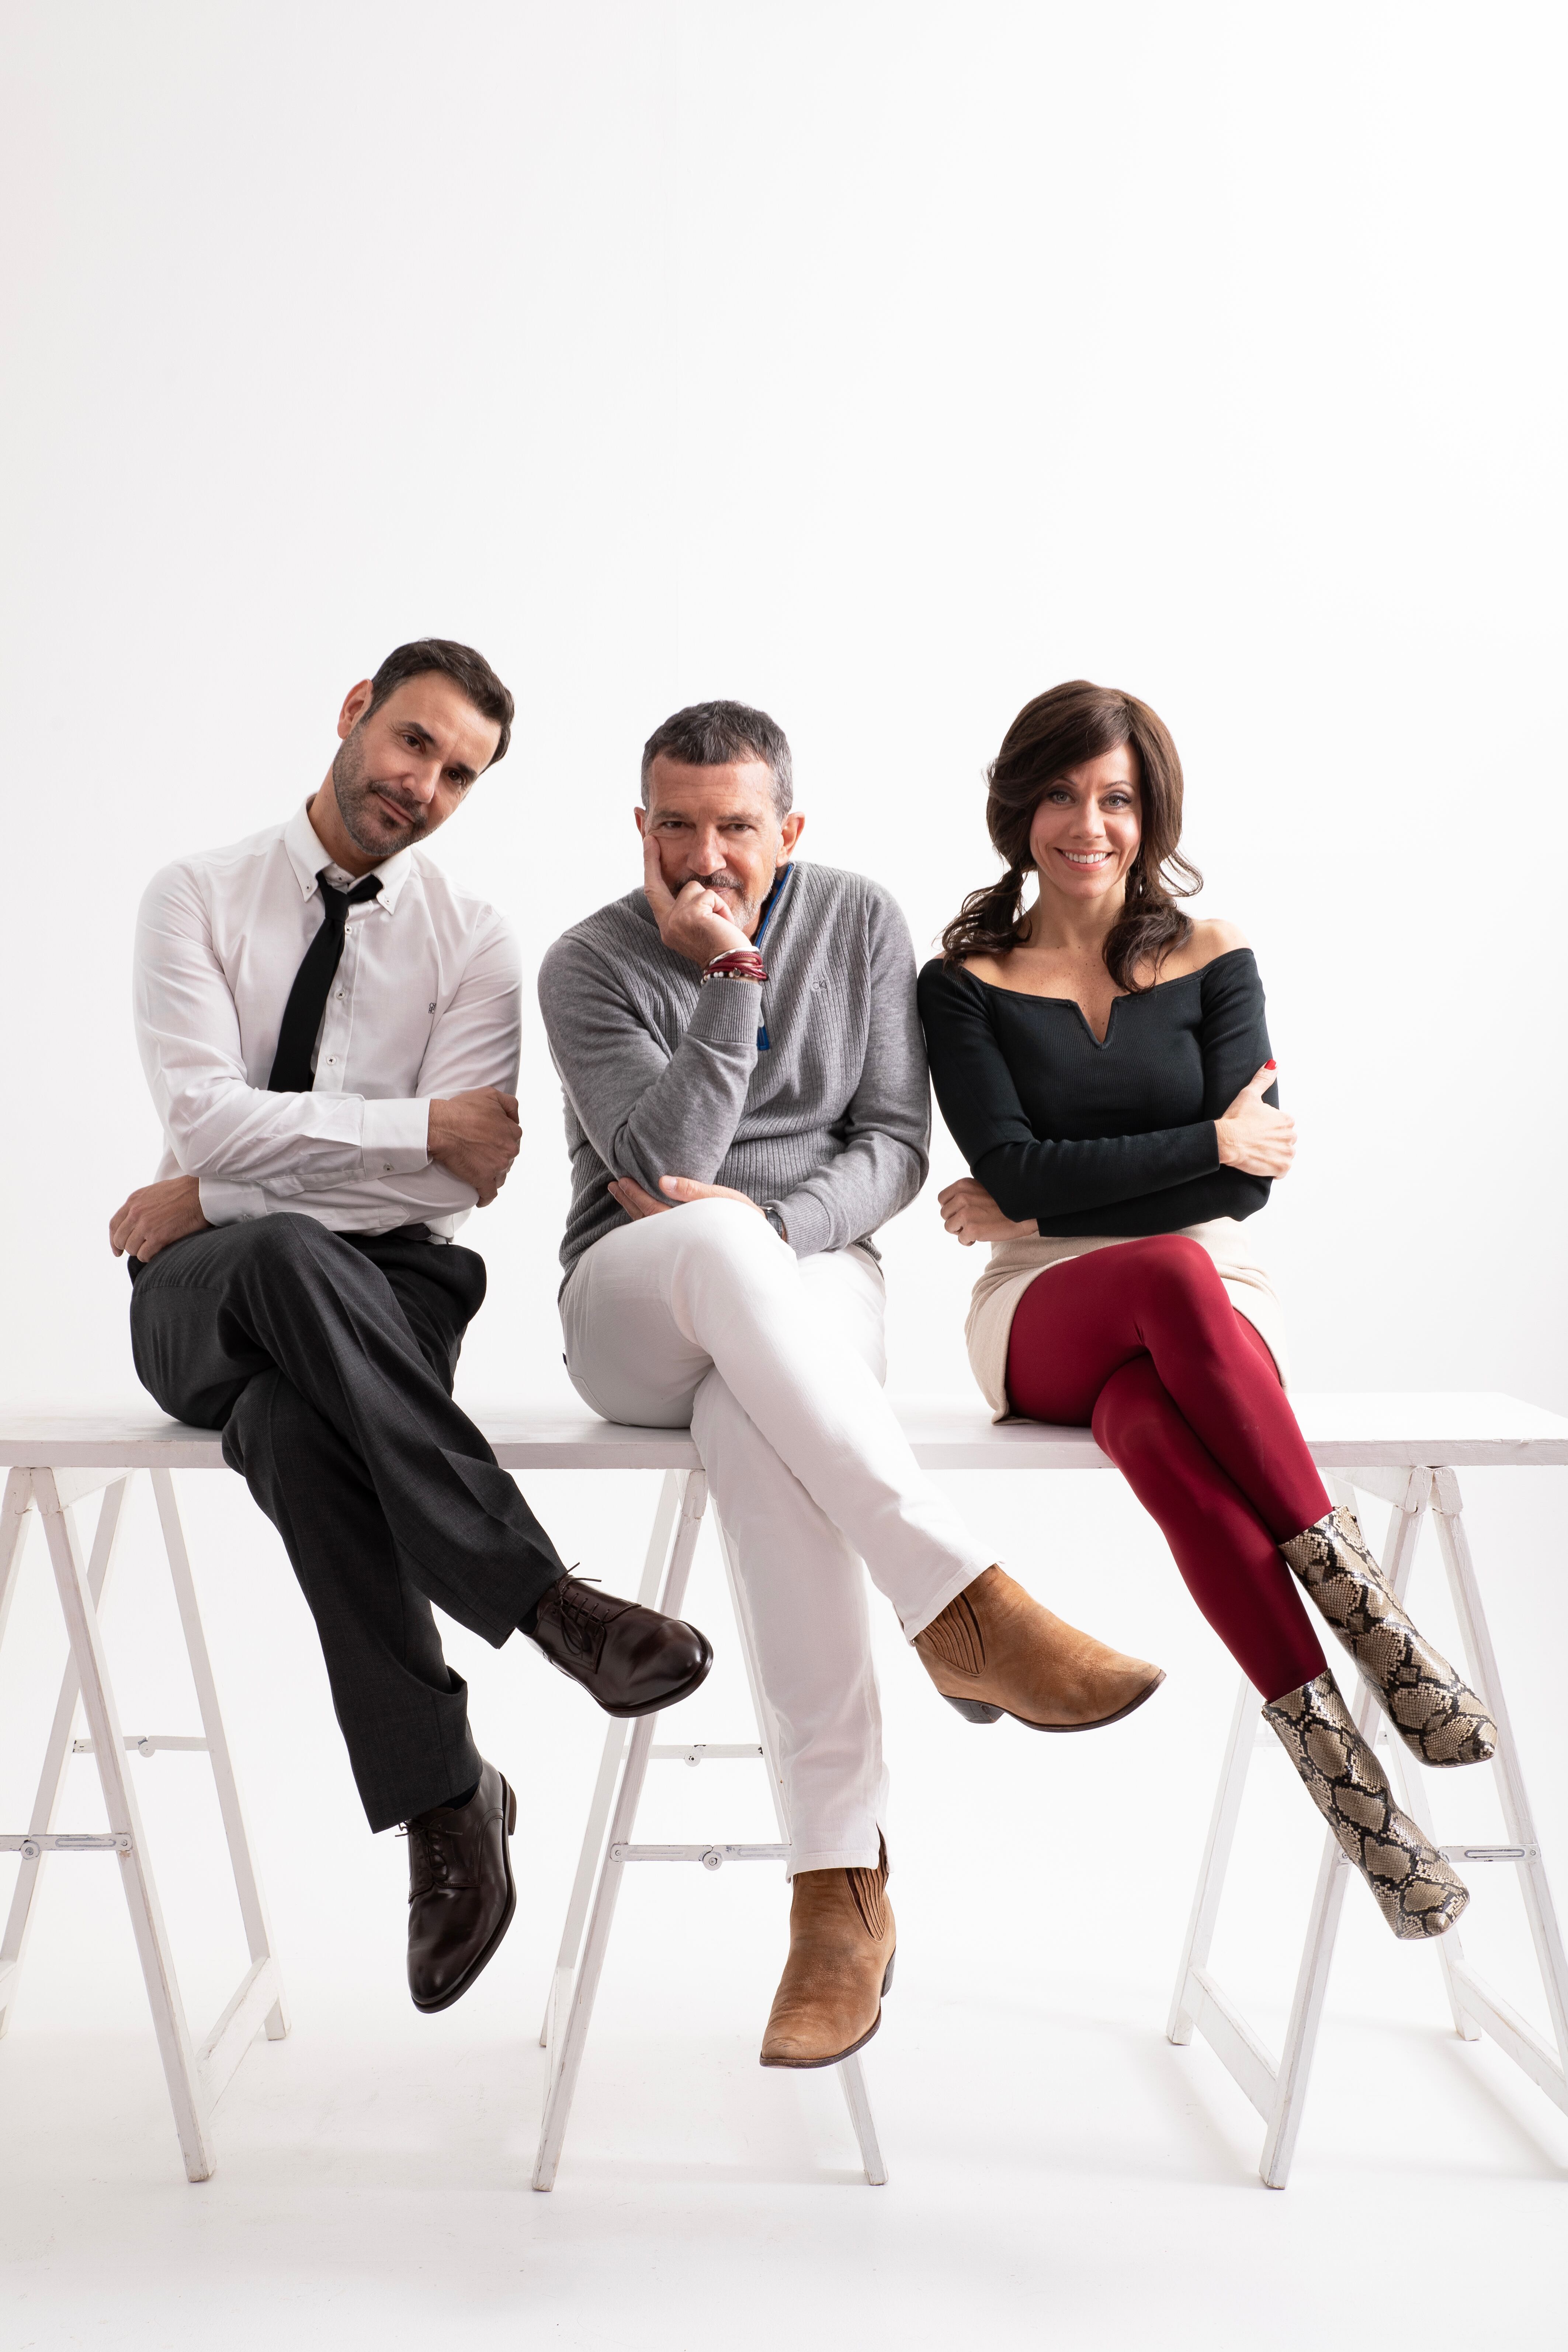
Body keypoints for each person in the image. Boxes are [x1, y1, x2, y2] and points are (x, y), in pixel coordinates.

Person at [537, 697, 1164, 2072]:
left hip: (804, 1275)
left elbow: (890, 1143)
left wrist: (781, 1228)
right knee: (699, 1232)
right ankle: (960, 1602)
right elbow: (654, 1166)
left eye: (738, 827)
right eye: (678, 826)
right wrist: (732, 980)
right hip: (631, 1301)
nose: (707, 855)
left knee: (760, 1422)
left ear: (791, 828)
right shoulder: (587, 963)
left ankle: (836, 1894)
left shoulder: (866, 918)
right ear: (640, 827)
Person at [111, 638, 712, 2016]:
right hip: (206, 1292)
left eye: (459, 773)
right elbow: (208, 1110)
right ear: (353, 716)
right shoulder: (195, 896)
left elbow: (466, 1173)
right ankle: (550, 1604)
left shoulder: (473, 937)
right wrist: (298, 1161)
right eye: (413, 745)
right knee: (273, 1248)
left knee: (290, 1424)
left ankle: (447, 1801)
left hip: (391, 1298)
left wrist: (220, 1177)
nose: (425, 784)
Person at [918, 679, 1496, 1940]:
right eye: (1063, 793)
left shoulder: (1215, 952)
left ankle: (1354, 1801)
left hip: (1211, 1300)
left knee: (1160, 1432)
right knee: (1167, 1271)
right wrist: (1048, 1205)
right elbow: (1036, 1173)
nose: (1089, 822)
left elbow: (1251, 1183)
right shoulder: (962, 980)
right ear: (1019, 803)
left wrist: (1040, 1192)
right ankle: (1380, 1633)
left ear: (1150, 812)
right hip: (1039, 1308)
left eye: (1116, 798)